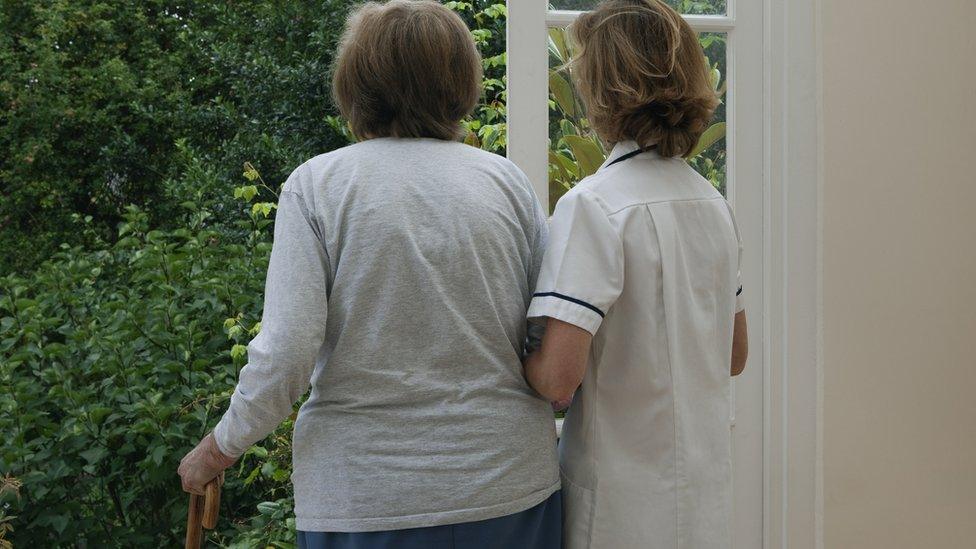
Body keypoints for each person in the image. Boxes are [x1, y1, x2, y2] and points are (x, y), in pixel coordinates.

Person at [177, 1, 561, 547]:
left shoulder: (318, 186)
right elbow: (549, 332)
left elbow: (286, 353)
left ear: (355, 83)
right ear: (463, 82)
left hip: (368, 498)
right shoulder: (507, 183)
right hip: (509, 488)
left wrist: (218, 449)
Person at [523, 1, 749, 547]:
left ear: (600, 84)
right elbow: (735, 355)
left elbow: (557, 377)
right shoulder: (709, 200)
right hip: (702, 499)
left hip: (619, 508)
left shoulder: (594, 206)